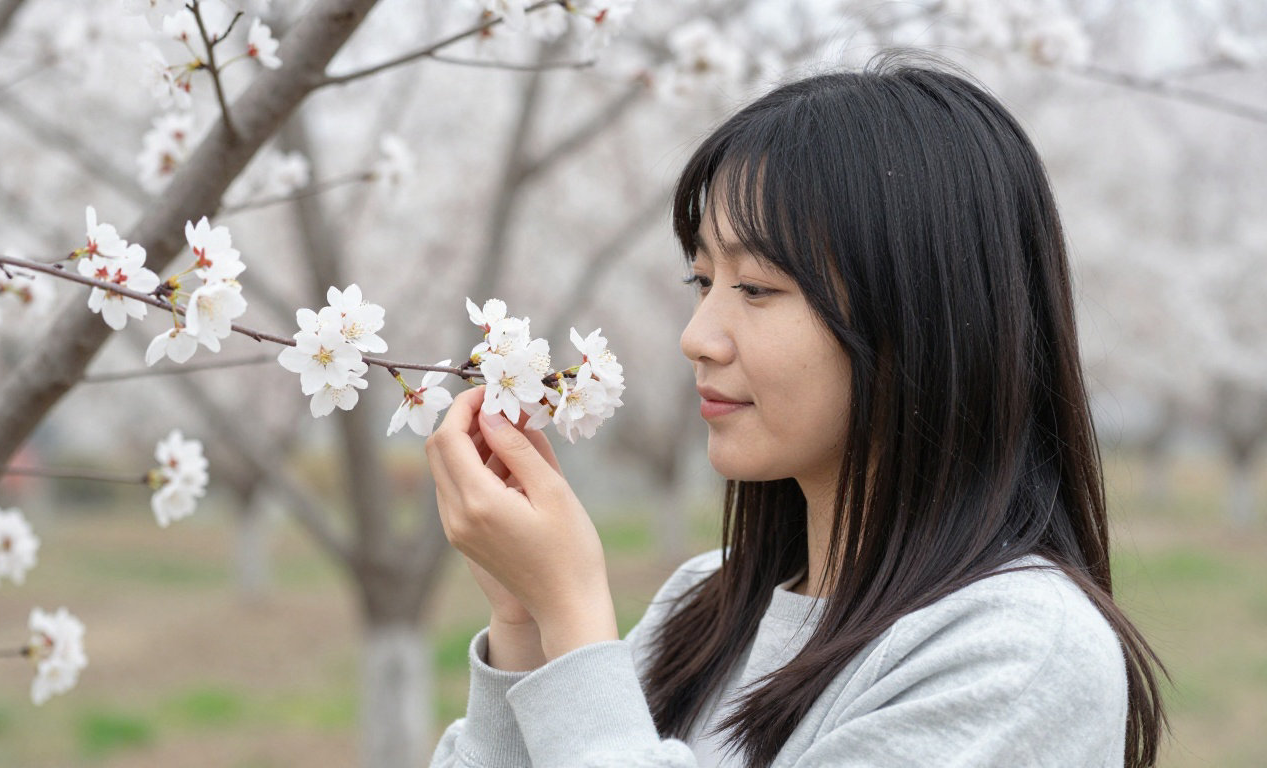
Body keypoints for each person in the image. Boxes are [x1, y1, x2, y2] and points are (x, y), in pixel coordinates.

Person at [424, 56, 1167, 768]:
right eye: (703, 280)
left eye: (756, 288)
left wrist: (574, 617)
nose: (697, 337)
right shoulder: (705, 607)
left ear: (920, 318)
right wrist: (526, 626)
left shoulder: (1019, 652)